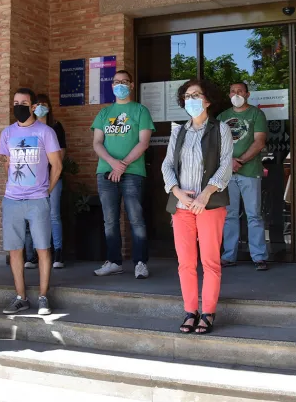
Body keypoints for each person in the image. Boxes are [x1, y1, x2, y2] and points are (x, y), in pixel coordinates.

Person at [162, 79, 233, 334]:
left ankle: (208, 312)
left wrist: (205, 195)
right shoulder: (178, 132)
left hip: (209, 205)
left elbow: (226, 165)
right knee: (185, 263)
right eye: (187, 96)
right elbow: (167, 165)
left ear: (207, 100)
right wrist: (177, 191)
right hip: (182, 205)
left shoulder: (220, 129)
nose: (191, 99)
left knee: (210, 261)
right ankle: (190, 311)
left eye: (196, 95)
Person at [0, 88, 62, 316]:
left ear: (33, 106)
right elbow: (6, 162)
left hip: (37, 199)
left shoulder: (46, 132)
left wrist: (47, 191)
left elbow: (57, 165)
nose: (19, 106)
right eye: (15, 102)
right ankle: (21, 298)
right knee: (15, 251)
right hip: (12, 200)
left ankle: (43, 297)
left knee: (42, 248)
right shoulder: (7, 133)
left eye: (23, 102)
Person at [91, 70, 154, 279]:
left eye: (124, 82)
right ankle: (114, 262)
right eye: (117, 82)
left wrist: (123, 165)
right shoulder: (103, 113)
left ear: (132, 85)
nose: (120, 85)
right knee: (110, 220)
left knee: (136, 219)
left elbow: (143, 142)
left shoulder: (140, 111)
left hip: (133, 172)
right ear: (112, 86)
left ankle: (141, 263)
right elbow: (97, 143)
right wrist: (112, 163)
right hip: (106, 172)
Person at [218, 82, 269, 270]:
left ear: (247, 94)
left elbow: (259, 142)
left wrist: (239, 160)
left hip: (250, 171)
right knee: (229, 215)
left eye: (240, 91)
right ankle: (229, 255)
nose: (236, 94)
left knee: (253, 215)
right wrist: (229, 162)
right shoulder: (222, 117)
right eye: (233, 91)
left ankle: (259, 257)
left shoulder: (256, 114)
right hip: (227, 174)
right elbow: (216, 144)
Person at [24, 94, 67, 269]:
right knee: (35, 217)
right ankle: (36, 252)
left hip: (52, 177)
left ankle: (58, 252)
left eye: (44, 104)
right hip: (32, 180)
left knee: (53, 215)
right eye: (37, 104)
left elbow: (61, 154)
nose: (41, 107)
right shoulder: (28, 127)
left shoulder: (55, 127)